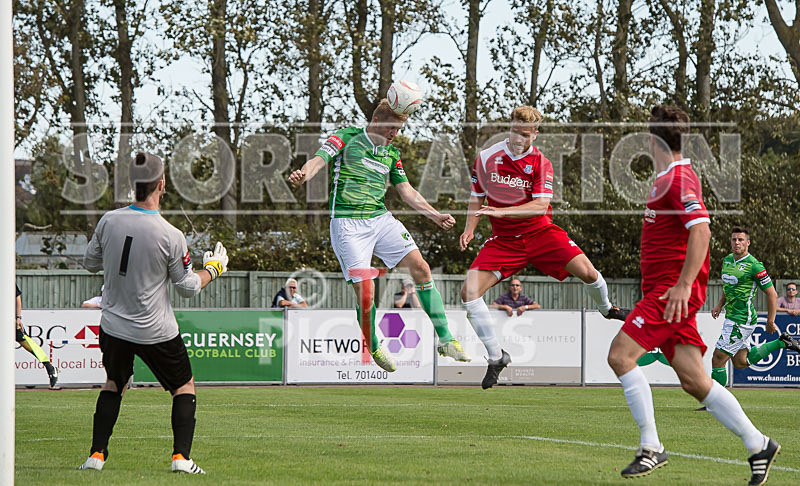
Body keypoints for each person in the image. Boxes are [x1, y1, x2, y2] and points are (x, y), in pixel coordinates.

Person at [606, 106, 780, 485]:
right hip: (668, 293)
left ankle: (651, 446)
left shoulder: (678, 178)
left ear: (652, 141)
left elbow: (701, 229)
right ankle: (758, 443)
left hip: (670, 294)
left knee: (620, 356)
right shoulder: (668, 177)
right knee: (696, 381)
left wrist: (684, 285)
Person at [289, 99, 470, 371]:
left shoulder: (391, 154)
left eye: (398, 129)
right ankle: (372, 344)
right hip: (348, 224)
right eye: (391, 128)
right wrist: (305, 174)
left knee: (421, 268)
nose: (395, 134)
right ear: (376, 122)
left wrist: (435, 215)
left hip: (380, 219)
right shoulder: (347, 136)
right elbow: (319, 159)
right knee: (366, 291)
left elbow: (407, 191)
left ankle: (445, 339)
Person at [78, 152, 230, 475]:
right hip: (154, 329)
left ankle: (96, 455)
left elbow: (90, 263)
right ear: (162, 183)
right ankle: (180, 459)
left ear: (133, 185)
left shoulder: (108, 221)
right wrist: (214, 269)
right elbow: (187, 287)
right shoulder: (171, 234)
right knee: (184, 386)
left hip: (114, 326)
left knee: (113, 384)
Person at [459, 105, 627, 389]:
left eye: (524, 134)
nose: (517, 138)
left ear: (535, 134)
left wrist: (501, 212)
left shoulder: (541, 163)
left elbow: (539, 206)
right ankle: (496, 356)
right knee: (468, 293)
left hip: (540, 233)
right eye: (514, 130)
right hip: (505, 242)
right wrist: (470, 229)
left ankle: (607, 308)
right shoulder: (487, 157)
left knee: (588, 272)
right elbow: (476, 196)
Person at [707, 228, 800, 388]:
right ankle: (781, 343)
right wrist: (719, 304)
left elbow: (772, 294)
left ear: (748, 243)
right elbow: (728, 285)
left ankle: (715, 403)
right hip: (732, 316)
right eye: (734, 239)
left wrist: (771, 321)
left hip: (741, 318)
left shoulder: (754, 265)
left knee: (717, 358)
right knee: (740, 361)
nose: (737, 242)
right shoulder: (728, 260)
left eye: (741, 240)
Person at [15, 283, 59, 388]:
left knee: (24, 340)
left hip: (9, 317)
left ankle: (50, 368)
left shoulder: (6, 277)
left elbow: (17, 298)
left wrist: (18, 317)